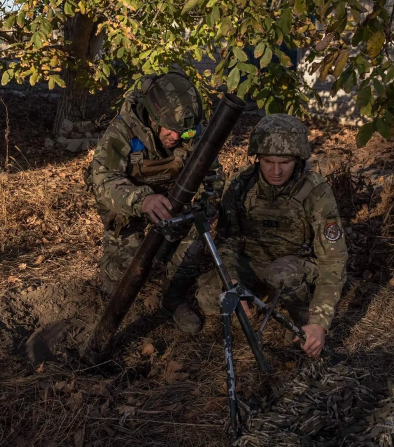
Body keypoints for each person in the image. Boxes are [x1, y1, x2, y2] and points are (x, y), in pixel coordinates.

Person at [196, 114, 348, 358]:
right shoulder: (241, 184)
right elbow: (228, 242)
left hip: (294, 264)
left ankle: (300, 317)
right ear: (257, 159)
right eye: (268, 161)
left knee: (282, 274)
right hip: (252, 263)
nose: (276, 171)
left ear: (297, 159)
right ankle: (255, 299)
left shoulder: (314, 190)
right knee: (208, 294)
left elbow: (333, 260)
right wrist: (232, 282)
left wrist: (320, 322)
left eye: (285, 162)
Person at [89, 71, 224, 334]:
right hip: (132, 215)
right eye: (171, 130)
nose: (177, 137)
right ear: (152, 116)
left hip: (173, 209)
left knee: (196, 240)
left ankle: (173, 298)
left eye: (183, 133)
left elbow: (213, 173)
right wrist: (143, 199)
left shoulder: (189, 129)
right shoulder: (122, 131)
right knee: (124, 275)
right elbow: (103, 182)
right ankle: (114, 269)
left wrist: (207, 206)